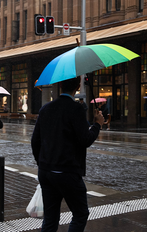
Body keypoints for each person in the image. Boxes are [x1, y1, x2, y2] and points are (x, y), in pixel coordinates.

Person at [32, 77, 104, 232]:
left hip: (46, 172)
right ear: (78, 86)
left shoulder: (45, 109)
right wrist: (97, 124)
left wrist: (43, 163)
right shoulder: (76, 109)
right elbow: (85, 139)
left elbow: (35, 141)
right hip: (67, 172)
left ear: (60, 85)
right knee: (80, 213)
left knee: (50, 219)